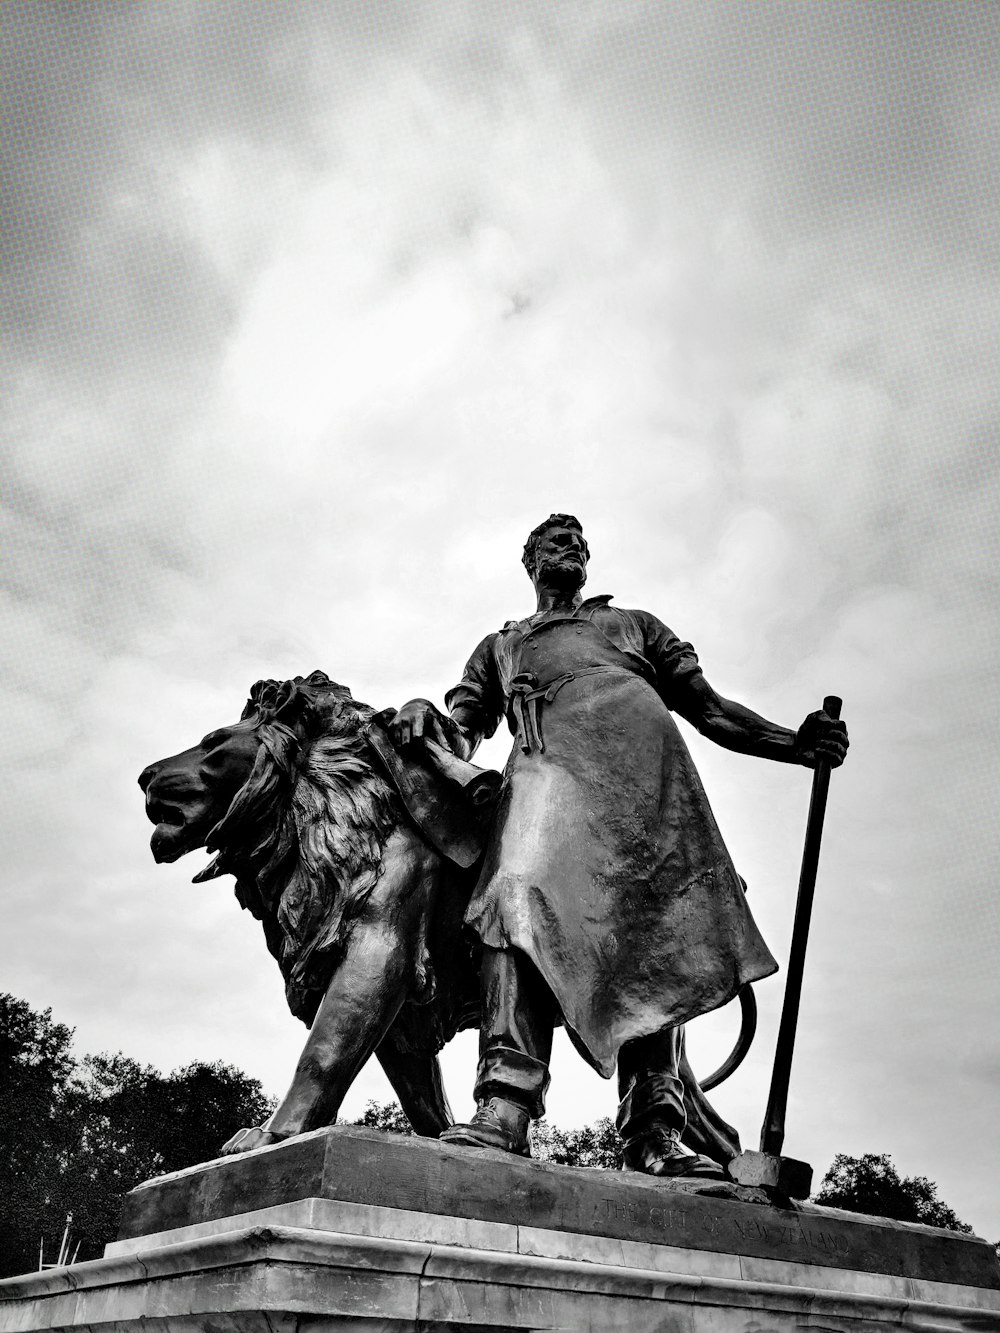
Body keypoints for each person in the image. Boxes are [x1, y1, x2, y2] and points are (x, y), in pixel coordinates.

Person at [391, 514, 848, 1177]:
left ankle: (655, 1130)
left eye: (578, 541)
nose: (569, 548)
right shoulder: (503, 645)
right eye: (555, 541)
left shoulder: (632, 625)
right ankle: (506, 1104)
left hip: (645, 791)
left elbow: (711, 709)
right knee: (511, 902)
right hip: (547, 783)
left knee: (654, 938)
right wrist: (421, 713)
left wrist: (795, 744)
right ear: (529, 561)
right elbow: (462, 729)